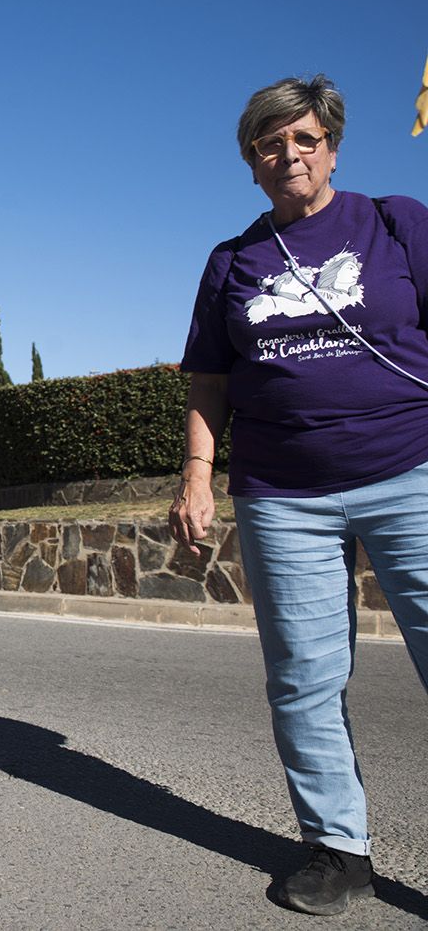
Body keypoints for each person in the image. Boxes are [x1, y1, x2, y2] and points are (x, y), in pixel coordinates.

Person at [170, 74, 428, 917]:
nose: (289, 156)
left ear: (332, 147)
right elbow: (210, 380)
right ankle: (337, 849)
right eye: (270, 145)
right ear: (251, 162)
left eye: (305, 140)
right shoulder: (233, 261)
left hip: (411, 475)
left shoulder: (395, 223)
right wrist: (197, 477)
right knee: (305, 680)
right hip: (284, 498)